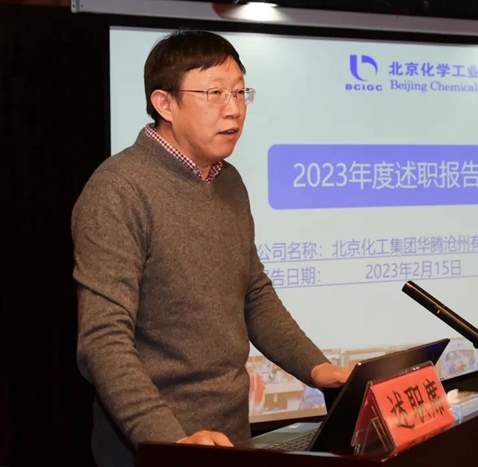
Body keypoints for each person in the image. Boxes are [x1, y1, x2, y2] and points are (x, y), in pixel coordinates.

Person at [71, 29, 350, 467]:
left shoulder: (229, 181)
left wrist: (318, 369)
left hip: (230, 437)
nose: (233, 108)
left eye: (239, 92)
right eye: (214, 93)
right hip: (153, 446)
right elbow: (103, 341)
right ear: (164, 103)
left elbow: (253, 294)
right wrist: (168, 441)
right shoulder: (118, 190)